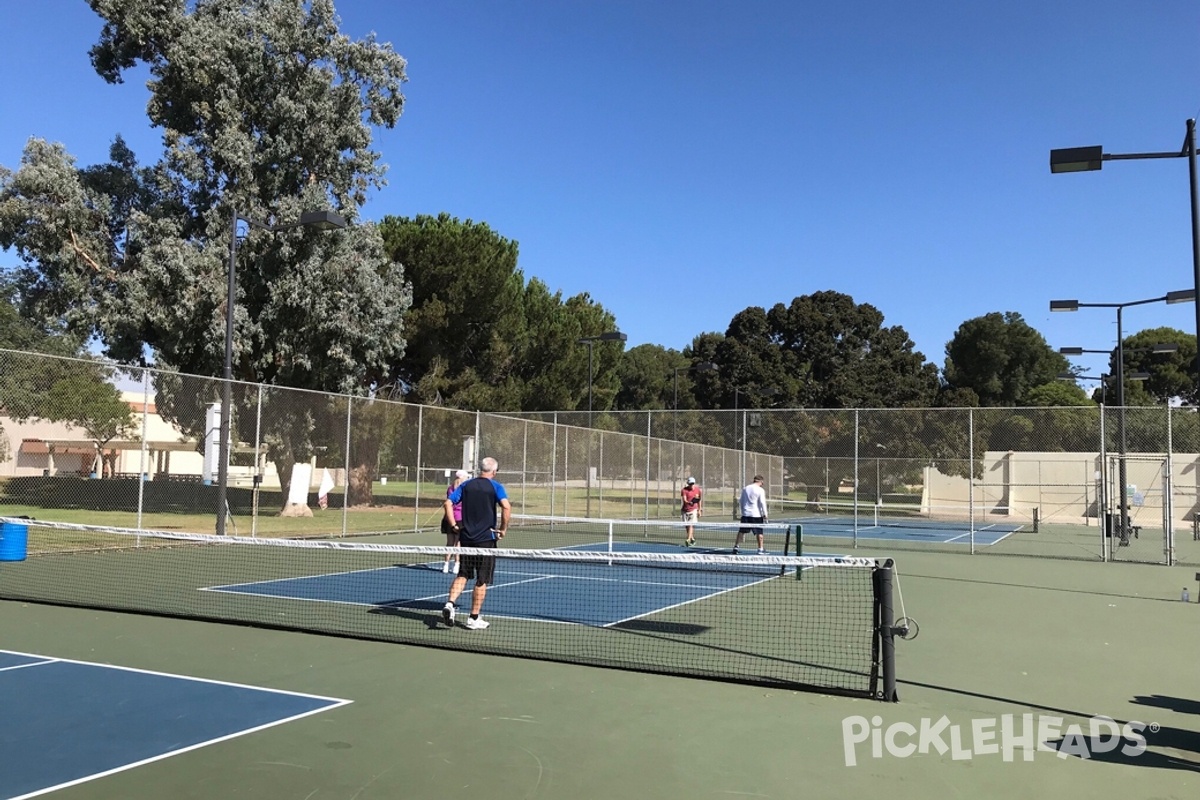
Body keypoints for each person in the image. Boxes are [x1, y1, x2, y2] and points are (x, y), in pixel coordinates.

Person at [442, 457, 511, 630]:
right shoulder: (496, 486)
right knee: (482, 580)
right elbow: (506, 507)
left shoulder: (466, 485)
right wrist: (503, 529)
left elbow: (448, 503)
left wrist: (453, 525)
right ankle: (473, 618)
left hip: (466, 538)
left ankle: (450, 604)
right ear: (494, 471)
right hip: (485, 541)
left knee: (463, 575)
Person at [440, 469, 470, 573]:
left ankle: (446, 565)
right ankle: (456, 565)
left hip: (449, 518)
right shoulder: (465, 489)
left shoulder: (450, 488)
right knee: (458, 543)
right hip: (459, 518)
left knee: (450, 542)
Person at [735, 474, 768, 555]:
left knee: (741, 531)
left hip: (746, 515)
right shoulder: (760, 490)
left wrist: (743, 512)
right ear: (761, 482)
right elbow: (762, 503)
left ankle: (736, 547)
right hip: (756, 515)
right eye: (762, 483)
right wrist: (765, 514)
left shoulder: (745, 488)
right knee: (759, 533)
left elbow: (741, 501)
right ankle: (760, 549)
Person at [680, 477, 703, 547]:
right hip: (685, 510)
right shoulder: (684, 490)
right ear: (688, 484)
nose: (691, 485)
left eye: (693, 483)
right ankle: (692, 538)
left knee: (691, 525)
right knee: (687, 526)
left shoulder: (698, 490)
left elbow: (699, 500)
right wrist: (688, 502)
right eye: (690, 484)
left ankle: (688, 539)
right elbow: (684, 500)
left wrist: (699, 510)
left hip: (694, 510)